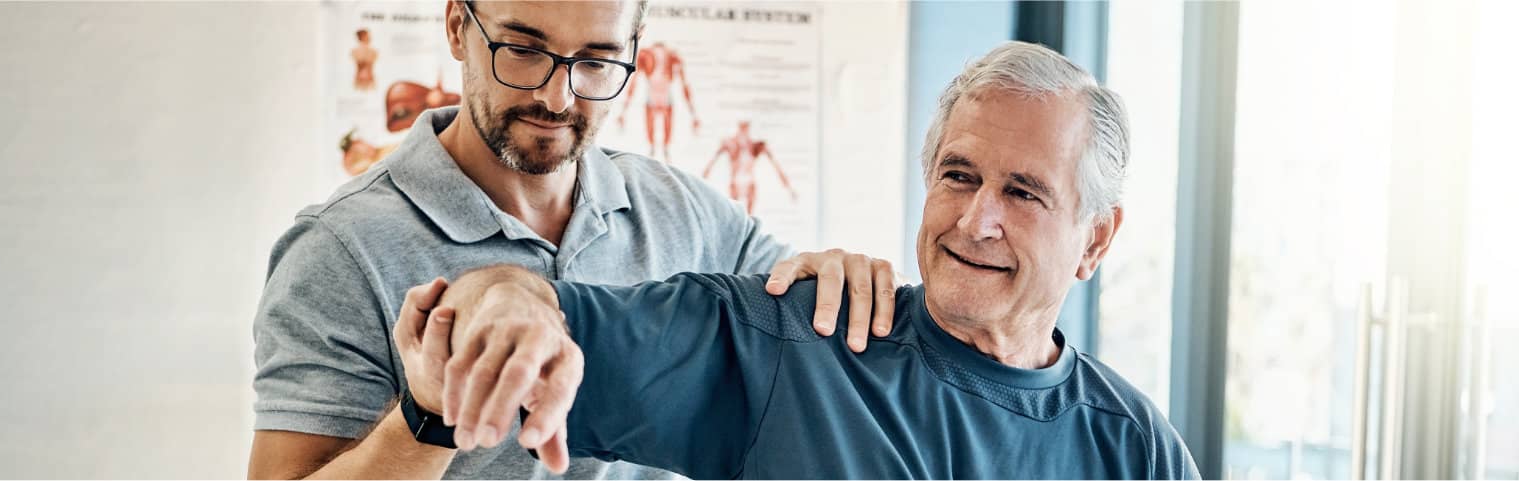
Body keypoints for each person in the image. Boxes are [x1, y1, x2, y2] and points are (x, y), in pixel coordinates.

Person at [406, 41, 1201, 479]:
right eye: (958, 175)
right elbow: (533, 307)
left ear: (1094, 239)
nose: (977, 218)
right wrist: (504, 302)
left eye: (1023, 193)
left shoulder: (1137, 449)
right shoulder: (799, 338)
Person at [247, 1, 897, 479]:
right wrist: (429, 414)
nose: (556, 96)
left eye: (594, 61)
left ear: (633, 51)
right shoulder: (339, 247)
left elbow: (800, 344)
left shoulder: (689, 214)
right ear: (456, 27)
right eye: (523, 49)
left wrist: (835, 279)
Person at [616, 41, 699, 162]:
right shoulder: (662, 55)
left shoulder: (669, 56)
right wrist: (693, 115)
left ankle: (662, 153)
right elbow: (684, 84)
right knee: (656, 147)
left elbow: (634, 83)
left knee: (660, 147)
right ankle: (661, 153)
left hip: (659, 98)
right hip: (659, 98)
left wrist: (624, 112)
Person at [702, 120, 795, 213]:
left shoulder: (757, 145)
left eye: (745, 127)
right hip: (736, 182)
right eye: (742, 127)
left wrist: (789, 189)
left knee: (748, 217)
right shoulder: (730, 143)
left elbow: (776, 167)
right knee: (736, 216)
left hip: (749, 183)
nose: (743, 130)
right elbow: (710, 165)